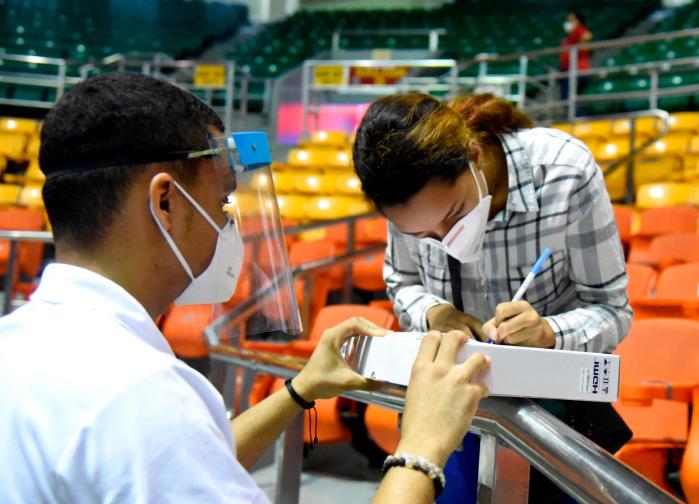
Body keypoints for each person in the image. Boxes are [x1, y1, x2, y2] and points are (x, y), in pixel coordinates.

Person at [0, 73, 489, 503]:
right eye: (222, 198)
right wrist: (422, 446)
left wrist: (299, 390)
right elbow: (162, 443)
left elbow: (187, 462)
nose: (225, 220)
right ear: (165, 201)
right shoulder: (140, 395)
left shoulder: (20, 344)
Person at [353, 92, 632, 503]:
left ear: (473, 155)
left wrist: (548, 333)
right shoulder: (404, 195)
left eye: (454, 214)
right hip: (452, 412)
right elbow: (402, 281)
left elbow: (612, 310)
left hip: (551, 421)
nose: (445, 239)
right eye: (424, 235)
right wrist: (435, 313)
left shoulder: (562, 173)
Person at [559, 10, 593, 116]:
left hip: (578, 71)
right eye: (568, 20)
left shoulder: (580, 32)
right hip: (567, 71)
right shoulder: (569, 37)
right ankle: (578, 117)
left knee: (568, 98)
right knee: (567, 99)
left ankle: (581, 118)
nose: (568, 22)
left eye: (571, 20)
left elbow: (587, 36)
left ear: (578, 21)